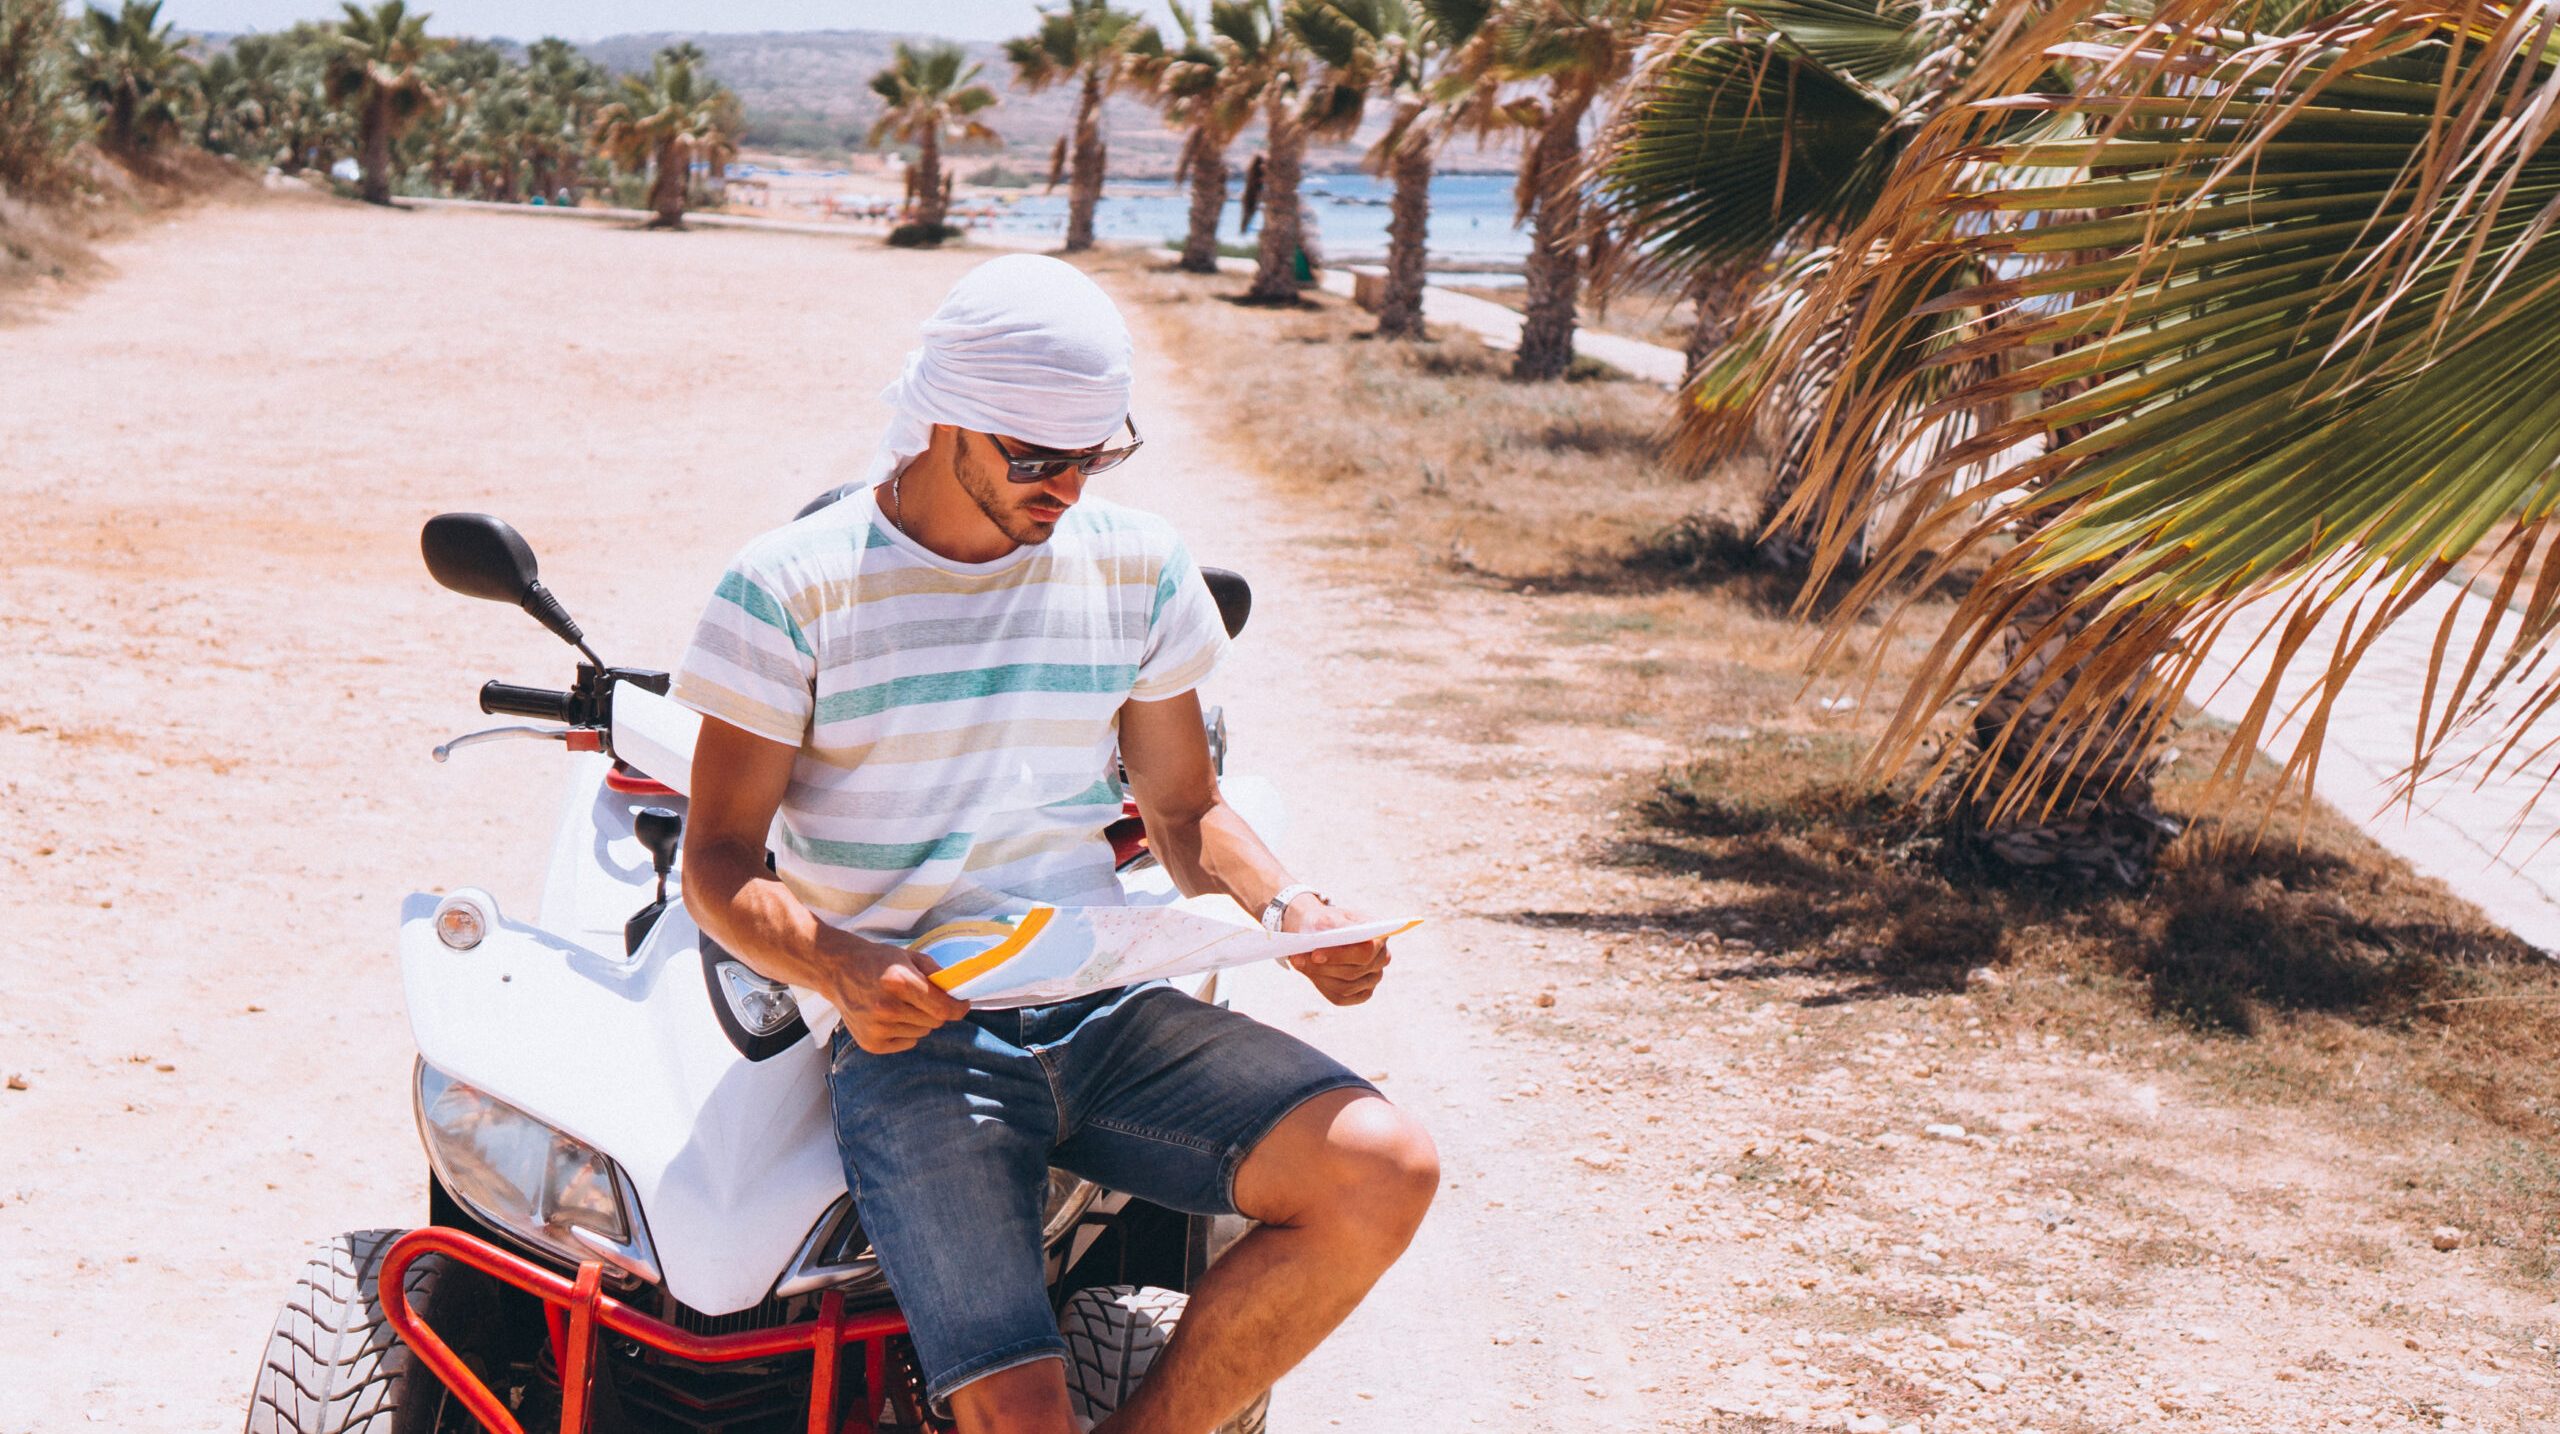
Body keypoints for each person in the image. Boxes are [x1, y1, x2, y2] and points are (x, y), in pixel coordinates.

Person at [672, 254, 1438, 1434]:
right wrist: (840, 966)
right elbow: (717, 862)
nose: (1068, 488)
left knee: (1383, 1168)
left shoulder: (1136, 565)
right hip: (920, 1038)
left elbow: (1185, 815)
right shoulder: (788, 588)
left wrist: (1290, 910)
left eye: (1097, 453)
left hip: (1102, 1007)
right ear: (944, 420)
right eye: (1036, 459)